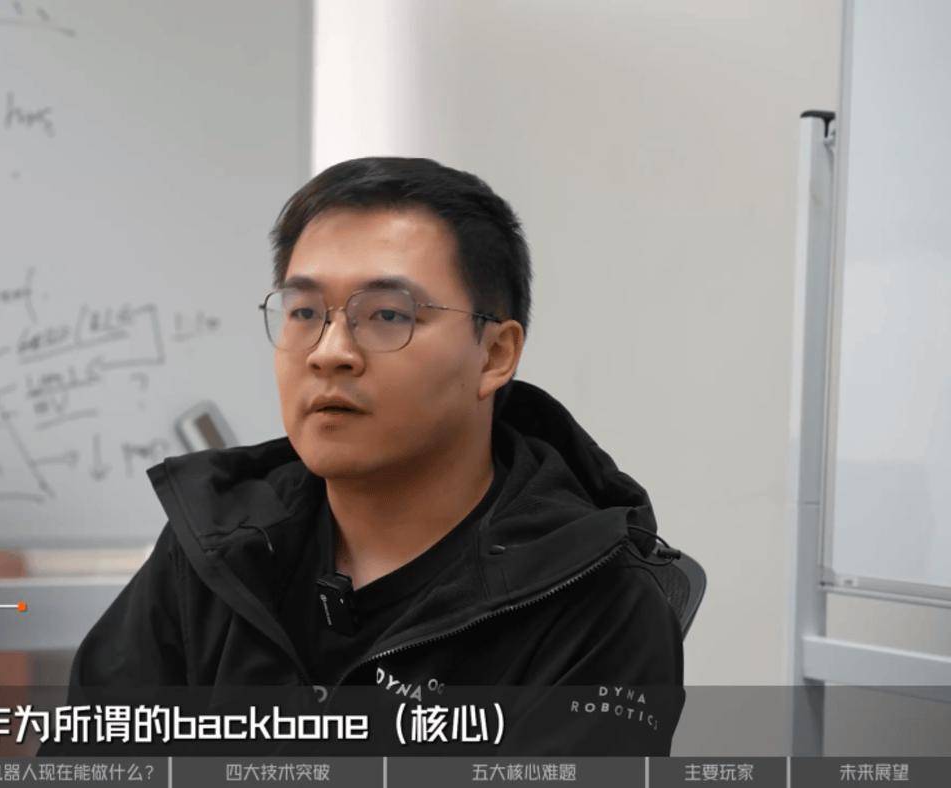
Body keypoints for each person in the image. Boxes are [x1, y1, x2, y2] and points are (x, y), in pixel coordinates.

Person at [62, 157, 684, 754]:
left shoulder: (597, 598)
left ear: (495, 355)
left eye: (387, 314)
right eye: (305, 312)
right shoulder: (219, 546)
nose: (328, 352)